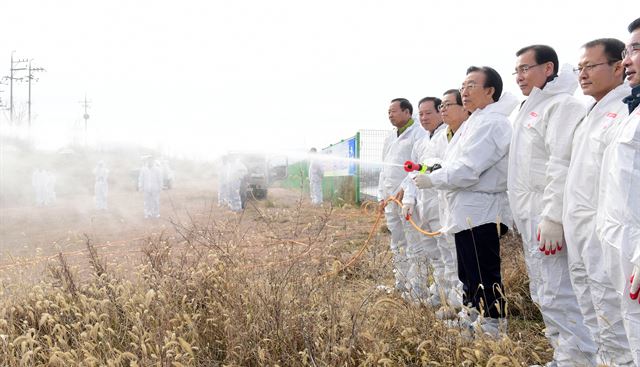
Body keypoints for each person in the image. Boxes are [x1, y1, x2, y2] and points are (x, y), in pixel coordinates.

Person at [508, 44, 597, 366]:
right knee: (544, 292)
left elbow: (560, 164)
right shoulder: (528, 109)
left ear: (548, 68)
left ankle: (580, 358)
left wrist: (553, 217)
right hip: (530, 215)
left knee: (560, 292)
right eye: (516, 70)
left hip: (547, 217)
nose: (519, 76)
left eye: (525, 68)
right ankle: (564, 355)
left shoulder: (563, 106)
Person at [414, 66, 517, 337]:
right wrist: (434, 171)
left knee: (484, 273)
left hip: (483, 211)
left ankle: (493, 325)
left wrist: (433, 180)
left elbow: (469, 168)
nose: (465, 91)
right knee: (469, 271)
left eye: (471, 85)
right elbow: (454, 163)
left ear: (490, 91)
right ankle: (473, 316)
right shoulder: (476, 122)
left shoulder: (494, 123)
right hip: (466, 210)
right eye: (463, 85)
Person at [563, 38, 633, 366]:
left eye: (591, 66)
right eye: (580, 68)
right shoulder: (592, 112)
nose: (583, 74)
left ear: (617, 67)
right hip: (580, 229)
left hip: (605, 231)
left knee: (613, 317)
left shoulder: (623, 111)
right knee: (591, 310)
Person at [597, 17, 640, 366]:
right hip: (623, 242)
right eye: (627, 51)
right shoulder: (634, 111)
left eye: (636, 50)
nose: (627, 60)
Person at [401, 96, 458, 307]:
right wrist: (409, 200)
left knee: (448, 254)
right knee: (434, 254)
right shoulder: (421, 142)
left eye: (428, 113)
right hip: (424, 205)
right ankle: (440, 294)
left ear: (440, 112)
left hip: (442, 203)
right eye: (421, 114)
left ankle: (456, 301)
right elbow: (411, 174)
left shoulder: (448, 136)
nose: (424, 118)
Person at [377, 98, 427, 295]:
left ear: (407, 112)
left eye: (394, 111)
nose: (390, 115)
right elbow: (384, 168)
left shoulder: (418, 134)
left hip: (408, 198)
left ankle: (418, 287)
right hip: (390, 198)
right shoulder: (390, 137)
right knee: (397, 241)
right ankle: (401, 282)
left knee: (414, 241)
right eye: (388, 112)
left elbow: (419, 166)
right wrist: (381, 196)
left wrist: (406, 189)